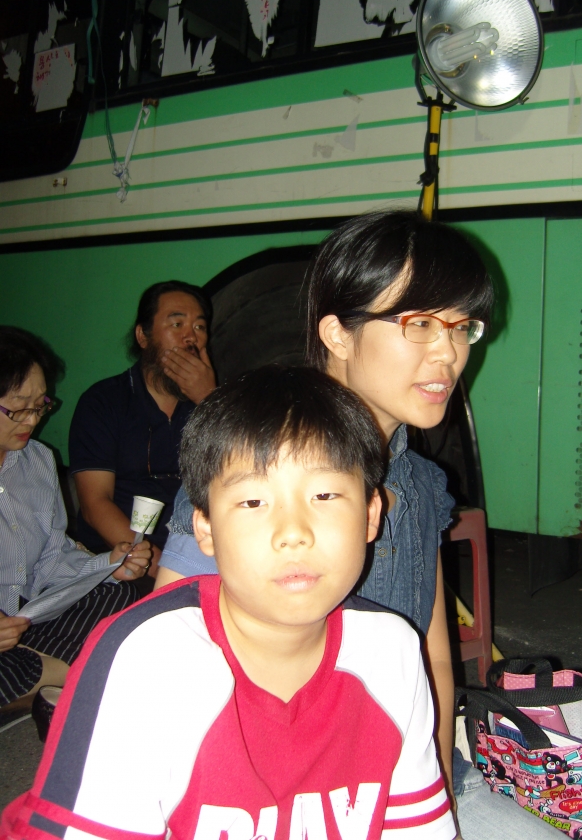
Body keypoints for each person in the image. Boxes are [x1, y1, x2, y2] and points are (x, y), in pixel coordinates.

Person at [154, 211, 555, 839]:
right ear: (338, 334)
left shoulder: (418, 485)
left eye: (461, 327)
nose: (448, 353)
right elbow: (165, 661)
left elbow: (432, 657)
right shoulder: (252, 465)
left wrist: (440, 800)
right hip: (264, 798)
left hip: (402, 778)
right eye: (419, 324)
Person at [1, 366, 458, 840]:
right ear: (204, 529)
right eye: (253, 502)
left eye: (324, 494)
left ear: (371, 515)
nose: (293, 533)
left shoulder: (392, 649)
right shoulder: (149, 663)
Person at [0, 327, 151, 708]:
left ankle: (44, 677)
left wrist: (109, 565)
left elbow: (53, 555)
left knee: (121, 596)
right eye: (18, 408)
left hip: (27, 621)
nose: (32, 420)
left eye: (40, 405)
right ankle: (70, 677)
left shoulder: (38, 460)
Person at [69, 281, 216, 573]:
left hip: (197, 550)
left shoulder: (213, 404)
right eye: (177, 324)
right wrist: (162, 569)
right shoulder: (104, 401)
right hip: (121, 558)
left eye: (199, 327)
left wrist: (210, 399)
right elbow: (95, 504)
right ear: (143, 336)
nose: (190, 337)